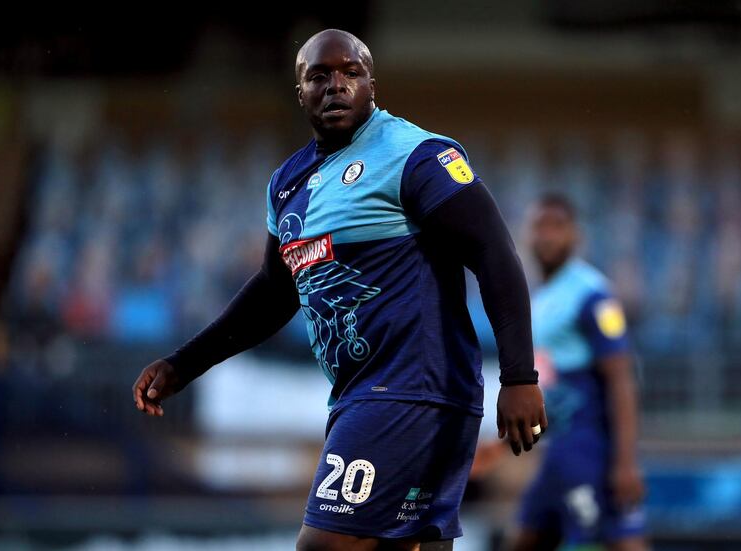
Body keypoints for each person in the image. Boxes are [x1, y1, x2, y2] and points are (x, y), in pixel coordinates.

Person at [132, 29, 546, 551]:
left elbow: (494, 253)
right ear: (299, 92)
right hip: (364, 394)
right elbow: (272, 293)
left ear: (372, 84)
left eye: (350, 73)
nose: (336, 85)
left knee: (323, 546)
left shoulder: (416, 156)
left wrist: (519, 376)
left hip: (410, 390)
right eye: (319, 76)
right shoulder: (287, 184)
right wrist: (181, 365)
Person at [506, 194, 647, 550]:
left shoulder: (592, 294)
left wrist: (626, 463)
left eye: (558, 226)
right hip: (558, 451)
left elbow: (621, 377)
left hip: (591, 451)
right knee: (526, 537)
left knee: (619, 541)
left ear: (576, 235)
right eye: (540, 226)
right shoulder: (542, 299)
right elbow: (549, 383)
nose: (548, 235)